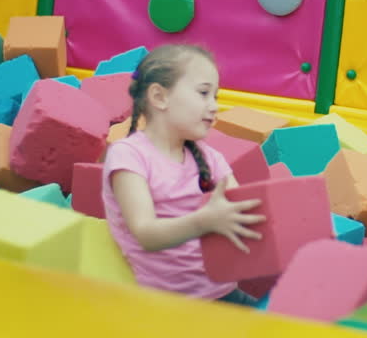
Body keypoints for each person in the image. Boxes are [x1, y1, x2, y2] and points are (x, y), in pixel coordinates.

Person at [101, 44, 264, 306]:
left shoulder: (210, 159)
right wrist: (204, 221)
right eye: (203, 93)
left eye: (216, 97)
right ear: (160, 97)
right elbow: (146, 233)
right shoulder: (129, 156)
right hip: (164, 305)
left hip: (221, 294)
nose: (214, 107)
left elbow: (243, 209)